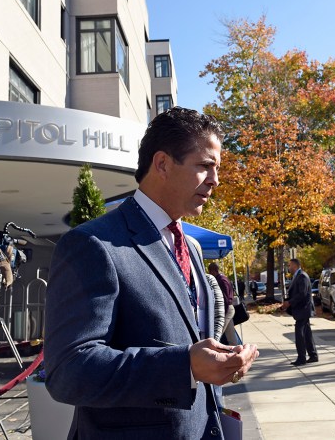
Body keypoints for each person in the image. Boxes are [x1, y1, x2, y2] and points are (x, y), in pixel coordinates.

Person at [44, 107, 259, 439]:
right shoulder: (92, 244)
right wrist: (184, 366)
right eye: (205, 166)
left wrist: (219, 362)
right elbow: (69, 372)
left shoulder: (191, 246)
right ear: (162, 164)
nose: (215, 180)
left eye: (217, 168)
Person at [282, 258, 318, 366]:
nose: (288, 268)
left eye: (289, 265)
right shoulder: (297, 276)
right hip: (302, 310)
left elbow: (302, 294)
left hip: (303, 309)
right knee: (306, 333)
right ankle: (313, 355)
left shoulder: (302, 276)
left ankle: (301, 358)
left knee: (299, 334)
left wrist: (289, 302)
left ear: (295, 265)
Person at [208, 262, 238, 345]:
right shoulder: (223, 278)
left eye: (210, 271)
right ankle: (235, 349)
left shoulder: (221, 280)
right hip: (228, 308)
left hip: (226, 308)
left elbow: (225, 298)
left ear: (214, 270)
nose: (210, 274)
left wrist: (222, 312)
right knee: (231, 335)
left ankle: (212, 348)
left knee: (217, 333)